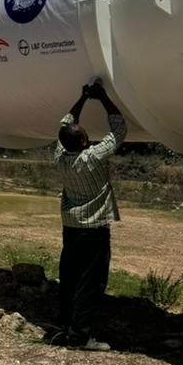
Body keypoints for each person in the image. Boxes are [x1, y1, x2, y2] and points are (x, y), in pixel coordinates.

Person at [53, 80, 127, 350]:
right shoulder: (92, 158)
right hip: (93, 231)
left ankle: (64, 328)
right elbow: (119, 129)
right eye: (85, 135)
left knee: (70, 279)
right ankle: (80, 337)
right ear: (84, 141)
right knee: (90, 283)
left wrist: (82, 99)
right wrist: (103, 97)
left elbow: (65, 126)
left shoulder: (60, 158)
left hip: (71, 229)